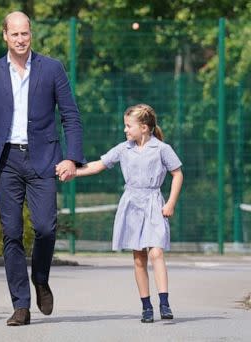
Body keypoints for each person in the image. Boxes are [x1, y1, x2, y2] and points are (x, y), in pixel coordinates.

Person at [0, 11, 85, 326]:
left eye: (26, 34)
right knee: (11, 234)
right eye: (15, 34)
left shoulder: (52, 69)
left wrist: (71, 158)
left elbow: (71, 116)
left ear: (31, 34)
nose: (21, 40)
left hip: (44, 158)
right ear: (5, 36)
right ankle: (21, 305)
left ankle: (41, 278)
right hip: (6, 161)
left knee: (46, 227)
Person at [75, 104, 183, 323]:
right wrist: (73, 172)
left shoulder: (162, 148)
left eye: (128, 125)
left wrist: (170, 202)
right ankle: (146, 307)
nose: (125, 130)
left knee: (156, 253)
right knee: (139, 258)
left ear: (144, 127)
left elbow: (177, 174)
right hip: (132, 205)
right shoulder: (124, 149)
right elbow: (98, 164)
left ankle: (164, 302)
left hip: (154, 203)